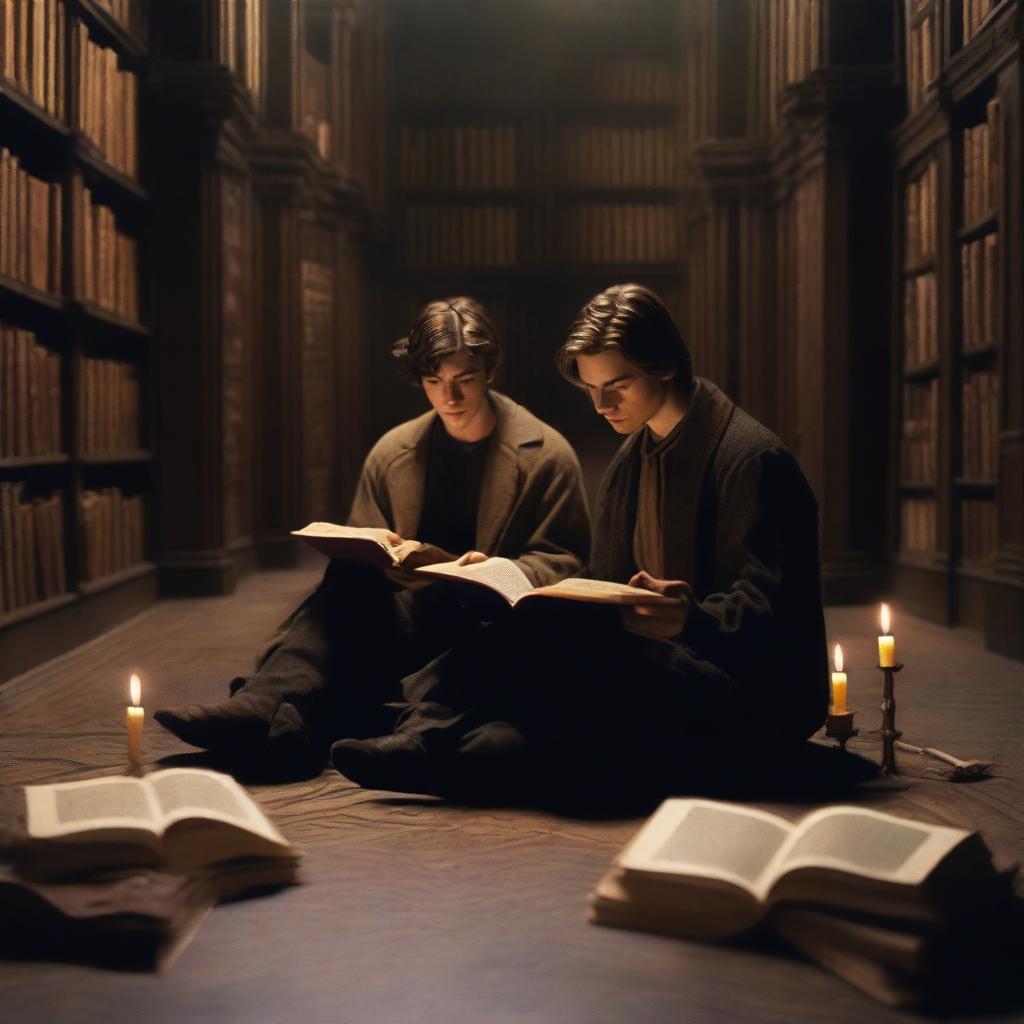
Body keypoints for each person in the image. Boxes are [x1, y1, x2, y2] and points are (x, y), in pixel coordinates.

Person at [329, 283, 830, 801]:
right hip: (650, 672)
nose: (601, 405)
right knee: (524, 720)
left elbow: (779, 618)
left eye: (618, 384)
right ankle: (429, 745)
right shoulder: (629, 462)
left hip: (743, 692)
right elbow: (602, 586)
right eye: (591, 389)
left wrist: (692, 618)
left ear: (666, 365)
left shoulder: (751, 460)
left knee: (551, 669)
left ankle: (421, 726)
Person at [155, 297, 591, 776]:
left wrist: (494, 569)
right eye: (433, 382)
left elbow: (567, 560)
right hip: (400, 618)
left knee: (502, 646)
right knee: (348, 579)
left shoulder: (545, 454)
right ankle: (265, 704)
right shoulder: (393, 451)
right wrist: (383, 559)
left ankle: (354, 730)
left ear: (490, 372)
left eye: (464, 380)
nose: (450, 398)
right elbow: (365, 548)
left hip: (482, 622)